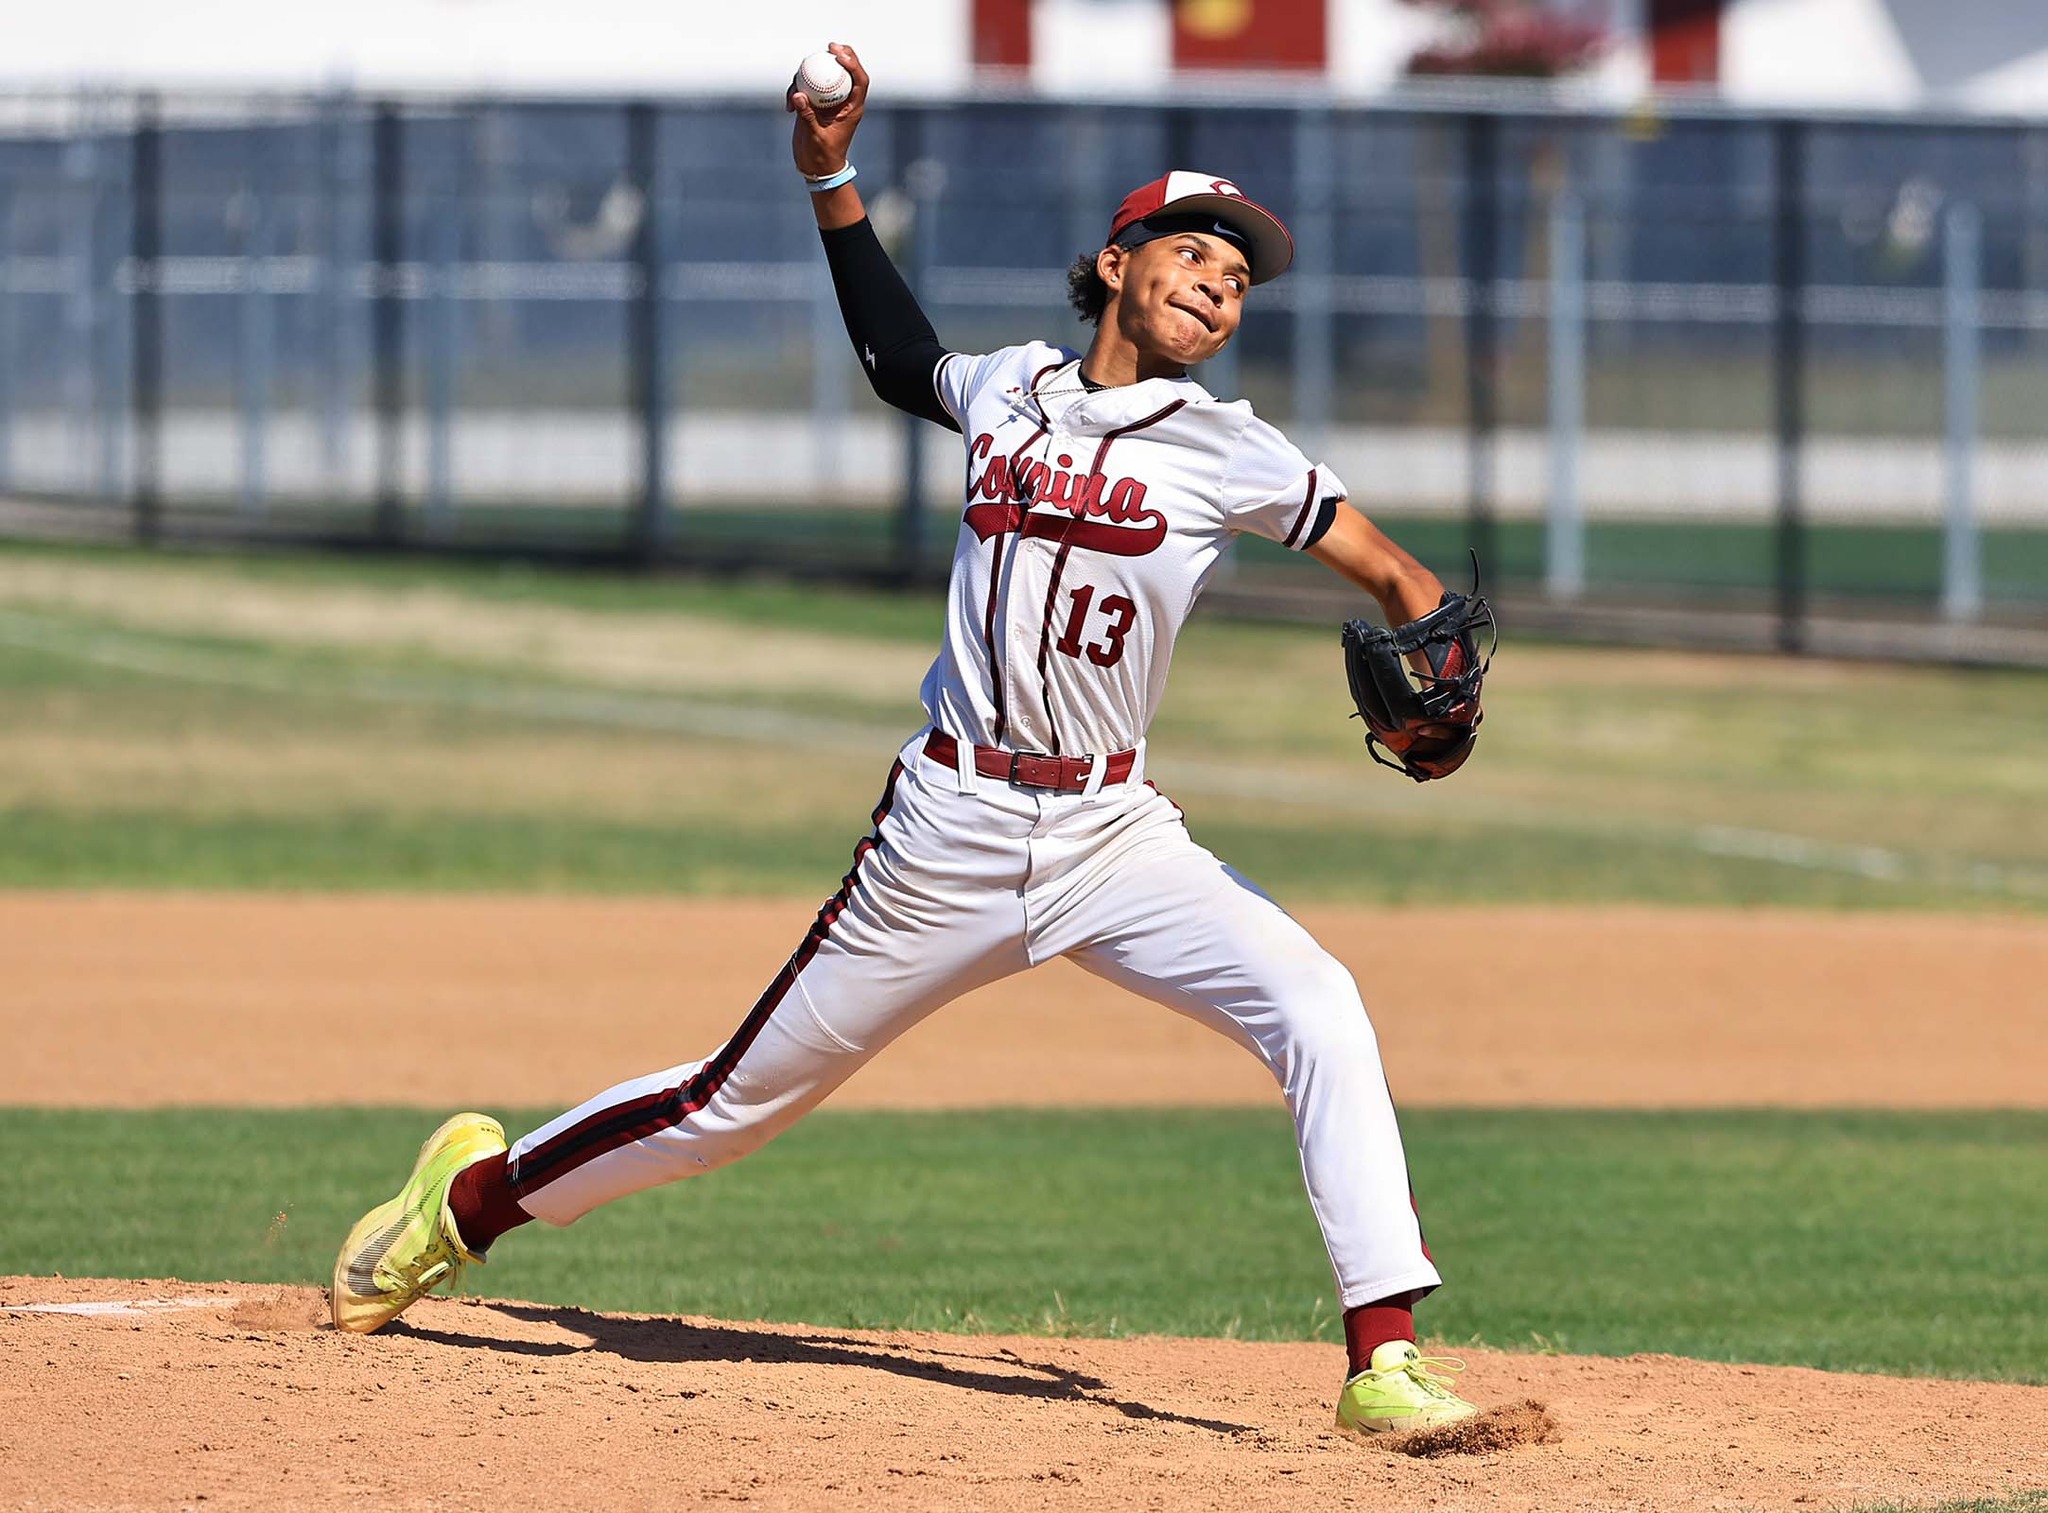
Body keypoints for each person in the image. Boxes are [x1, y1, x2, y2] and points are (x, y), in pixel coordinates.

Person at [332, 44, 1481, 1438]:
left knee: (1318, 1003)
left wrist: (1437, 677)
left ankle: (1382, 1360)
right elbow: (895, 357)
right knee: (729, 1109)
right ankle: (464, 1204)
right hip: (950, 828)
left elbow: (1392, 569)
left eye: (1239, 278)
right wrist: (830, 177)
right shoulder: (1010, 388)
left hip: (1117, 837)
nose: (1218, 286)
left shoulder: (1229, 447)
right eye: (1193, 252)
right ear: (1115, 264)